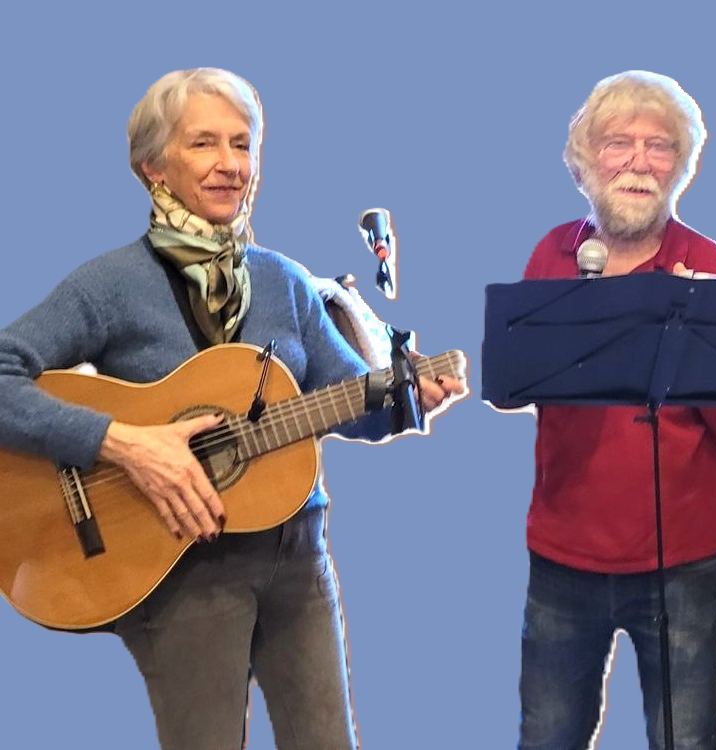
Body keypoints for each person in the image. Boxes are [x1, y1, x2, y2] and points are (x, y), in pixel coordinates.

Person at [0, 68, 463, 749]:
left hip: (299, 559)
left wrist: (406, 399)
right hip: (182, 566)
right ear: (153, 166)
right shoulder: (110, 284)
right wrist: (121, 442)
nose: (230, 164)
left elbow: (348, 404)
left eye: (242, 144)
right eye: (204, 144)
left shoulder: (284, 280)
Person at [504, 71, 716, 750]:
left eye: (659, 146)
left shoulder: (710, 266)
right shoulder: (552, 255)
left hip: (684, 566)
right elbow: (516, 388)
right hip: (562, 558)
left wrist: (696, 336)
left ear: (681, 167)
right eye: (618, 143)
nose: (639, 162)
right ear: (584, 161)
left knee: (688, 740)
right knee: (548, 739)